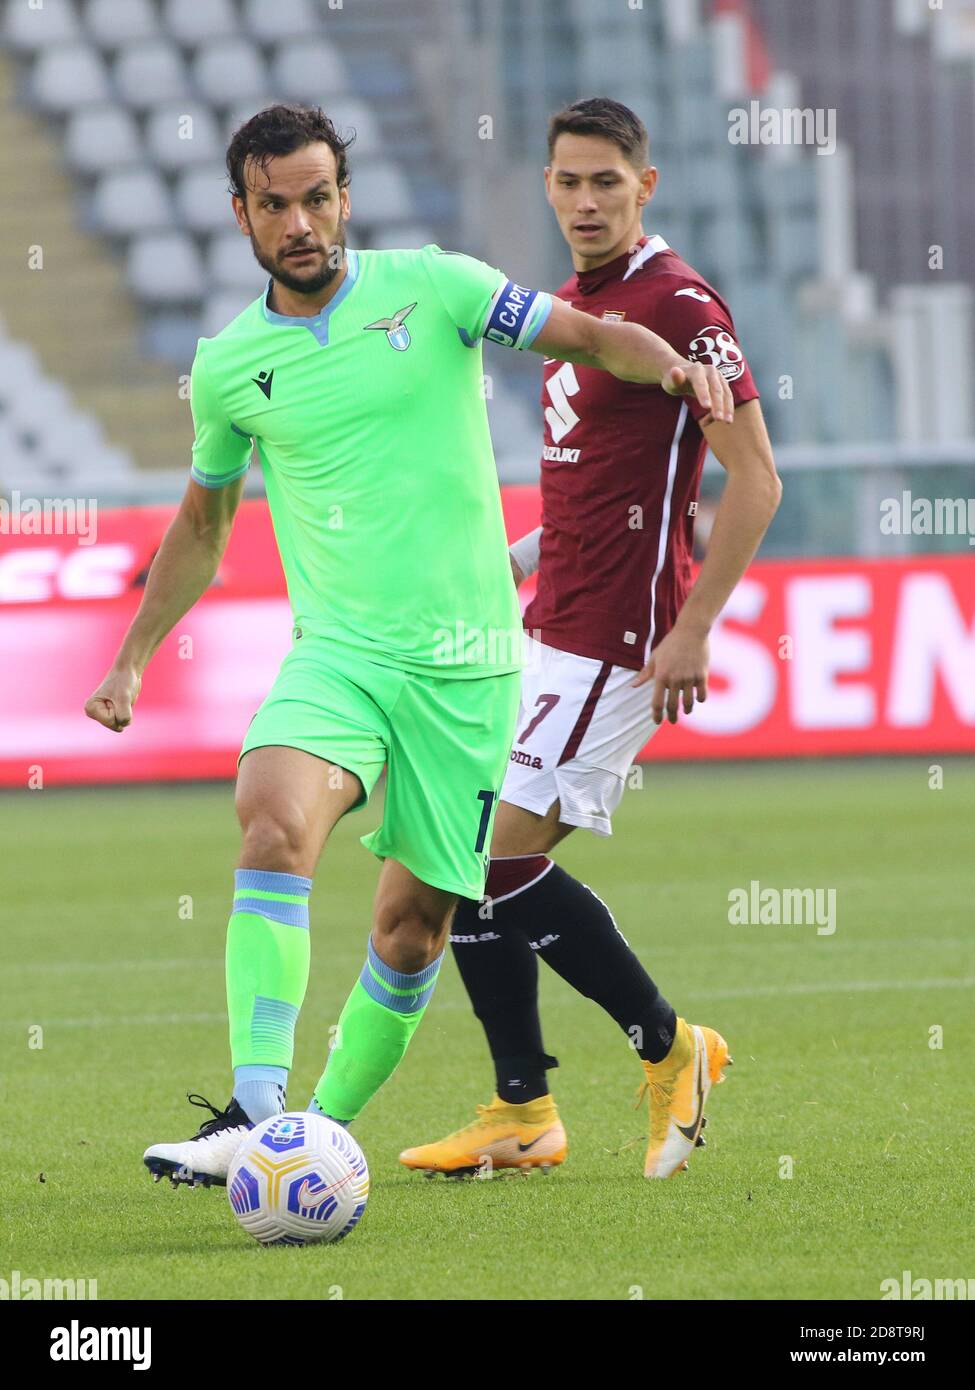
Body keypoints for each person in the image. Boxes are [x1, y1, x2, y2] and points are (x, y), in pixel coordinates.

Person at [83, 103, 732, 1187]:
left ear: (345, 196)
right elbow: (204, 522)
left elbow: (586, 334)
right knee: (273, 818)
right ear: (240, 214)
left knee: (413, 930)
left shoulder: (435, 286)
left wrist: (672, 368)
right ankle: (252, 1105)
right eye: (277, 204)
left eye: (319, 197)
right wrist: (133, 654)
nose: (302, 222)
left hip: (469, 670)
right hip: (338, 656)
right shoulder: (233, 366)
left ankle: (309, 1137)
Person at [400, 98, 780, 1181]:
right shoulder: (581, 303)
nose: (583, 200)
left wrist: (695, 630)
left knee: (488, 861)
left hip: (621, 637)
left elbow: (756, 479)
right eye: (567, 181)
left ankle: (670, 1048)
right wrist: (511, 562)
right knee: (461, 859)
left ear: (644, 185)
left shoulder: (681, 303)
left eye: (605, 180)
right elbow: (592, 482)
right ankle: (523, 1110)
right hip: (550, 625)